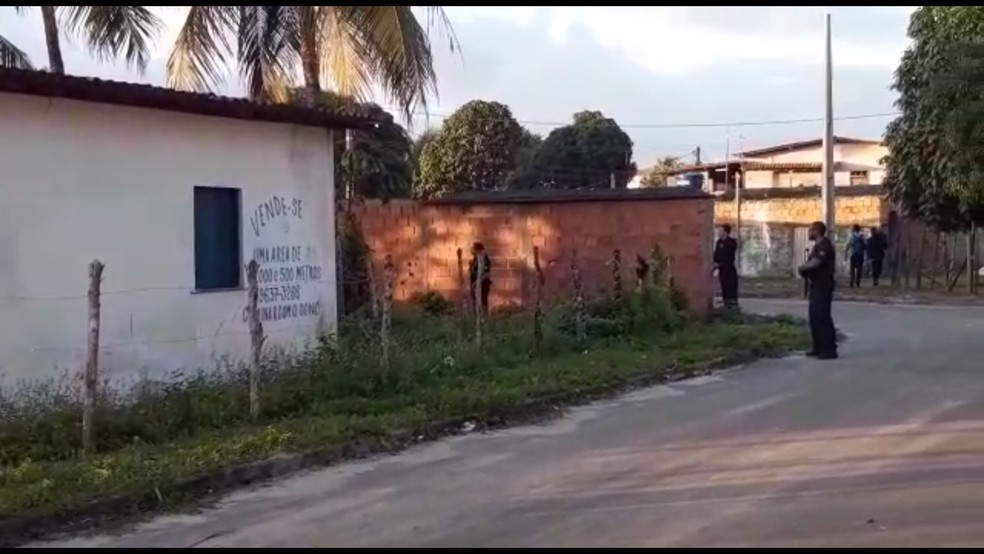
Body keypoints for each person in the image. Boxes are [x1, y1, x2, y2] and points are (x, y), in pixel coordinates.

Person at [798, 221, 838, 360]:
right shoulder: (817, 246)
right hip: (816, 285)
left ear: (816, 231)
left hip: (823, 285)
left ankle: (829, 349)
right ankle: (818, 347)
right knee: (814, 317)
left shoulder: (824, 246)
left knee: (822, 317)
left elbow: (816, 262)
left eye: (810, 230)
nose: (809, 233)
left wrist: (803, 268)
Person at [713, 224, 739, 309]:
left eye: (721, 231)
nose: (719, 233)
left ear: (726, 233)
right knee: (724, 287)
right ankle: (726, 304)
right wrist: (715, 263)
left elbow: (729, 257)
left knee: (730, 288)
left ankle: (732, 305)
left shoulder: (731, 243)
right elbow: (716, 254)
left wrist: (720, 263)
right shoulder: (719, 242)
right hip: (722, 270)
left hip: (729, 270)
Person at [469, 242, 492, 314]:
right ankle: (476, 316)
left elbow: (486, 274)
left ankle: (484, 317)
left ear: (478, 250)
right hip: (474, 284)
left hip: (483, 284)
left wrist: (476, 283)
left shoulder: (484, 259)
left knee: (483, 301)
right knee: (475, 301)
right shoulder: (475, 259)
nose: (471, 250)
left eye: (473, 248)